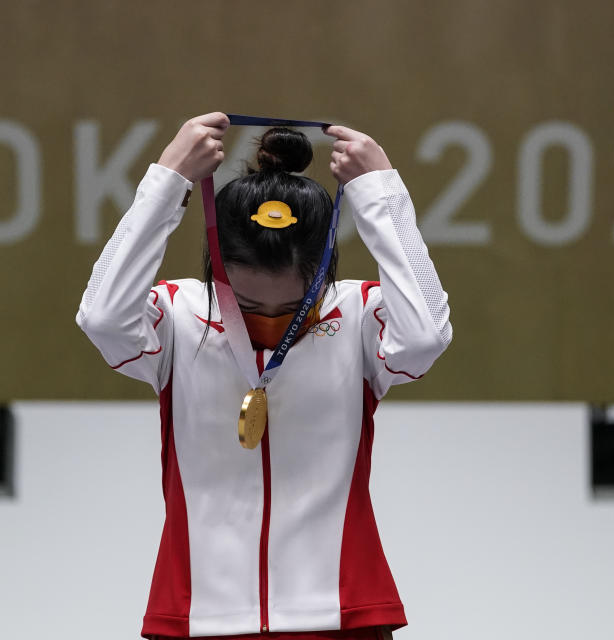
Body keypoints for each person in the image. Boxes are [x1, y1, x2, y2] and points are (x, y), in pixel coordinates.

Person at [76, 112, 452, 640]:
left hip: (344, 615)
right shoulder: (178, 316)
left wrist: (381, 195)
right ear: (217, 269)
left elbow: (426, 336)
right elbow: (102, 317)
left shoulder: (360, 316)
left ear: (325, 271)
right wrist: (167, 183)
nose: (270, 323)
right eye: (247, 304)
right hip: (196, 617)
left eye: (295, 305)